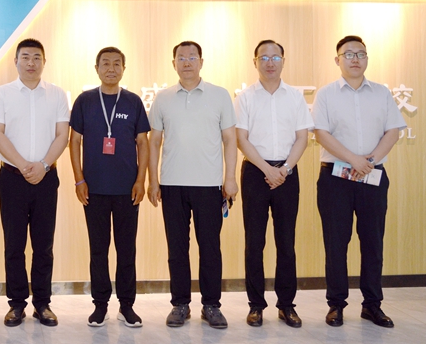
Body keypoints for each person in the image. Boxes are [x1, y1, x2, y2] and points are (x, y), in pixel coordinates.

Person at [312, 35, 405, 328]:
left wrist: (370, 160)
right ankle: (336, 305)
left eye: (360, 54)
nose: (355, 59)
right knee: (336, 243)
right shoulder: (326, 94)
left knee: (373, 241)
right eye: (348, 54)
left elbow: (393, 131)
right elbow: (321, 133)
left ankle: (372, 305)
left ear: (367, 59)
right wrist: (354, 160)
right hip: (335, 177)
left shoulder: (381, 93)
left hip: (373, 175)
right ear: (337, 59)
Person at [147, 40, 237, 330]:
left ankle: (211, 305)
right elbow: (154, 142)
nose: (187, 62)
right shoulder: (163, 98)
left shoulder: (219, 95)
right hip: (172, 184)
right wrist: (153, 180)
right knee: (177, 248)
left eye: (192, 57)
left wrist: (230, 178)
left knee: (210, 248)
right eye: (181, 58)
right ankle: (180, 305)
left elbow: (230, 140)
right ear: (173, 63)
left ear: (201, 62)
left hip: (209, 185)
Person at [0, 38, 70, 327]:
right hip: (12, 177)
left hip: (46, 178)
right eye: (25, 57)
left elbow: (62, 135)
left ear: (44, 62)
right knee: (14, 244)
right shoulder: (2, 93)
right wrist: (23, 165)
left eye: (37, 57)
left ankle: (42, 303)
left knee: (43, 245)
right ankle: (16, 304)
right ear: (16, 61)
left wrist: (43, 165)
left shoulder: (57, 94)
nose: (31, 63)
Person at [234, 40, 313, 328]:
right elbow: (241, 139)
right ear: (255, 61)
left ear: (283, 61)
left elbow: (302, 137)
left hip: (287, 173)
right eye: (264, 57)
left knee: (286, 242)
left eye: (275, 57)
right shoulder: (245, 97)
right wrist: (267, 169)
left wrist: (285, 169)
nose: (270, 62)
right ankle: (256, 305)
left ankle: (286, 305)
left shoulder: (294, 96)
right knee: (254, 242)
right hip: (256, 172)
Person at [69, 47, 150, 328]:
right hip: (94, 189)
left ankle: (126, 306)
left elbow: (143, 143)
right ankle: (100, 305)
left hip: (128, 190)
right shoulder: (85, 101)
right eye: (105, 64)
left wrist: (141, 180)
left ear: (124, 69)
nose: (111, 69)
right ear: (97, 68)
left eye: (117, 64)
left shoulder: (133, 101)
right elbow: (74, 142)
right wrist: (79, 180)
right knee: (98, 249)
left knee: (126, 250)